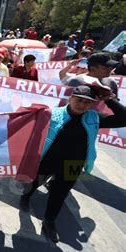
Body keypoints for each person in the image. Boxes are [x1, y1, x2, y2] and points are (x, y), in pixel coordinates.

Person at [19, 85, 126, 243]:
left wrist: (109, 100)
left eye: (87, 102)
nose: (82, 105)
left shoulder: (94, 118)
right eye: (79, 100)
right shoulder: (53, 114)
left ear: (92, 105)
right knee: (34, 182)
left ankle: (49, 221)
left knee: (60, 193)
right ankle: (26, 197)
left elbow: (123, 118)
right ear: (70, 98)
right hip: (48, 159)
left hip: (74, 164)